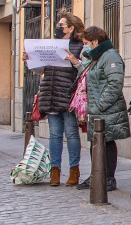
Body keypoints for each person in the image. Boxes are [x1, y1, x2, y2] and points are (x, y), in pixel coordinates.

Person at [24, 12, 85, 186]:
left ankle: (74, 170)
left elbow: (84, 70)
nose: (58, 28)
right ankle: (55, 171)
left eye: (61, 25)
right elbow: (40, 70)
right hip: (50, 94)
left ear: (71, 28)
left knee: (71, 134)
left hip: (67, 96)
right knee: (55, 135)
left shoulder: (80, 46)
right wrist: (29, 60)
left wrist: (74, 60)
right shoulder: (50, 45)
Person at [71, 27, 130, 191]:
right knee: (96, 142)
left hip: (106, 108)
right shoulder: (94, 57)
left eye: (86, 43)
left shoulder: (110, 56)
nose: (84, 46)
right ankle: (96, 175)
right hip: (95, 108)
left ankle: (108, 178)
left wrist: (101, 104)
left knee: (107, 141)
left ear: (95, 41)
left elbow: (115, 83)